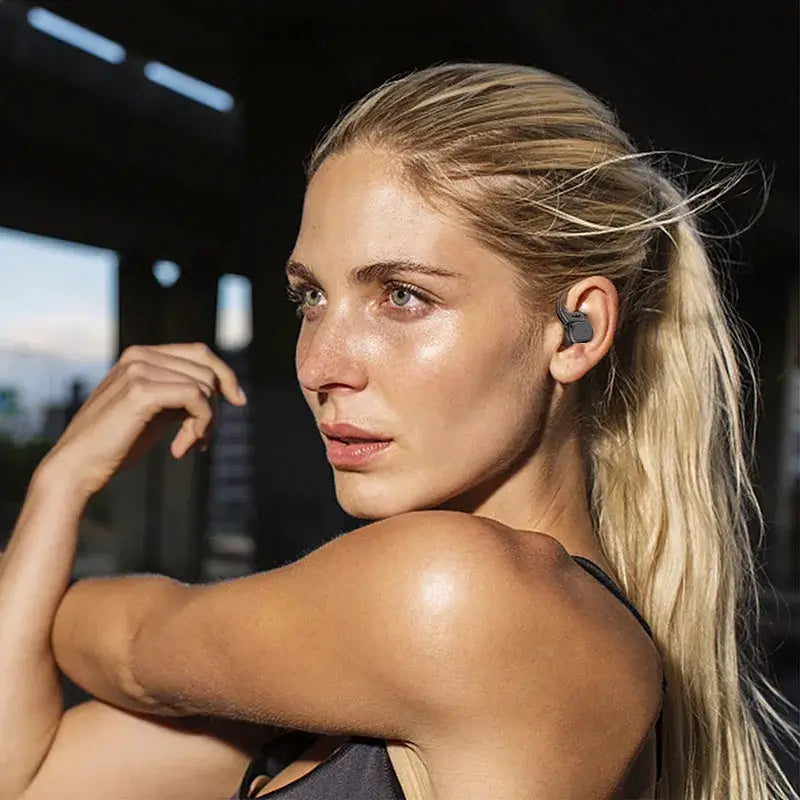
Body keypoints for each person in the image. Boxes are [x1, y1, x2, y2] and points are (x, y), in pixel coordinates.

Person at [0, 62, 796, 800]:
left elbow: (135, 650)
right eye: (310, 297)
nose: (320, 364)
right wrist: (59, 482)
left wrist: (59, 545)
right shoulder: (398, 668)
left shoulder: (458, 598)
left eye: (404, 297)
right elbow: (26, 776)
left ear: (575, 329)